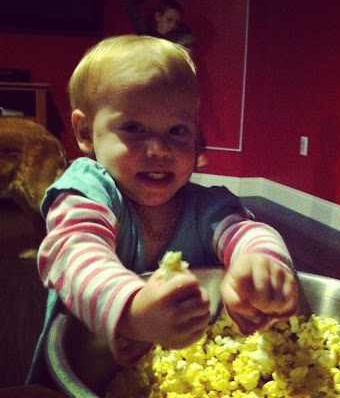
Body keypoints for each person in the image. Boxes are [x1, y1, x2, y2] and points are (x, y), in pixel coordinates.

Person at [26, 35, 298, 385]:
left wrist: (260, 265)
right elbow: (72, 252)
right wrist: (131, 309)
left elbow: (244, 231)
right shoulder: (88, 192)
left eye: (177, 130)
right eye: (133, 128)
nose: (159, 149)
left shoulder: (207, 206)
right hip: (83, 372)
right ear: (86, 131)